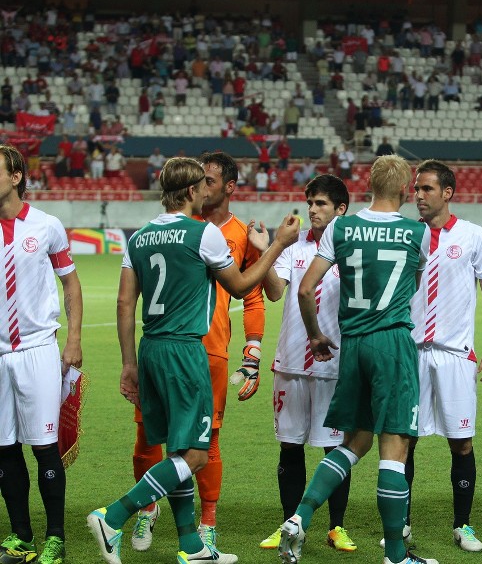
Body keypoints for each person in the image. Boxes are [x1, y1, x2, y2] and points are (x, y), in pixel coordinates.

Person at [87, 157, 300, 564]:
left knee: (175, 449)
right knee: (196, 454)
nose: (207, 189)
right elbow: (239, 287)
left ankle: (191, 546)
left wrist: (128, 364)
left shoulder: (140, 236)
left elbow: (123, 302)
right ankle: (112, 516)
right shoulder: (204, 233)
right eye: (202, 184)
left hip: (150, 348)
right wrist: (277, 245)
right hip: (187, 351)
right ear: (189, 192)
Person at [279, 155, 439, 564]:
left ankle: (299, 517)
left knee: (355, 441)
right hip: (391, 343)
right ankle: (397, 555)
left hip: (352, 344)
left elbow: (304, 290)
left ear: (369, 185)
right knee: (395, 446)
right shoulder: (416, 231)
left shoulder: (341, 227)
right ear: (405, 191)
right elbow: (413, 283)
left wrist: (316, 335)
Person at [127, 151, 276, 556]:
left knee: (205, 445)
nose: (202, 186)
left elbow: (256, 295)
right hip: (177, 347)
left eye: (210, 180)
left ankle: (206, 524)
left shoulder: (240, 233)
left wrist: (253, 351)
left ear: (228, 186)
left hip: (210, 353)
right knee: (149, 439)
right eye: (199, 181)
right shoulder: (189, 231)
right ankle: (146, 508)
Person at [401, 160, 482, 553]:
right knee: (404, 440)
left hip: (455, 355)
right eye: (416, 189)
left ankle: (463, 526)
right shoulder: (408, 234)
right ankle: (402, 524)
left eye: (426, 189)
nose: (419, 196)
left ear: (447, 192)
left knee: (461, 443)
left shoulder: (474, 236)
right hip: (410, 352)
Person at [258, 175, 358, 554]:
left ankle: (337, 527)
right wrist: (268, 247)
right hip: (291, 365)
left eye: (321, 204)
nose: (313, 210)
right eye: (310, 203)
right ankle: (288, 525)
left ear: (341, 210)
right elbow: (272, 291)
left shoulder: (351, 252)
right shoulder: (293, 248)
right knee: (290, 447)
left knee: (334, 450)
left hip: (334, 365)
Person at [0, 144, 82, 564]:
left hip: (36, 350)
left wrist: (73, 339)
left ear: (16, 176)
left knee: (44, 446)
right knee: (4, 449)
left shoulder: (46, 225)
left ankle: (55, 537)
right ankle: (20, 537)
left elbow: (71, 284)